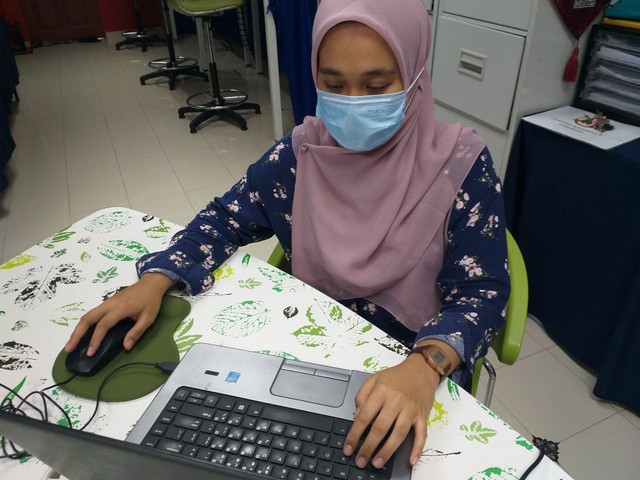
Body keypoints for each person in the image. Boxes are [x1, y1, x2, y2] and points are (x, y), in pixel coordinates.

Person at [66, 0, 510, 471]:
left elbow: (482, 293)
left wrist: (424, 367)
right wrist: (155, 281)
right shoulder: (302, 154)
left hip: (410, 369)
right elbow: (224, 218)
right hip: (308, 357)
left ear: (415, 76)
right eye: (333, 85)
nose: (353, 103)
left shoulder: (460, 168)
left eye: (376, 87)